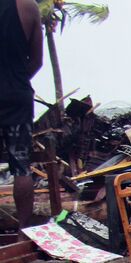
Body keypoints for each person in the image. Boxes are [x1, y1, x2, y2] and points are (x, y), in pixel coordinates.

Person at [0, 0, 43, 234]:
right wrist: (14, 80)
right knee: (21, 166)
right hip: (17, 96)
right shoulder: (28, 6)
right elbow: (37, 61)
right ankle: (23, 231)